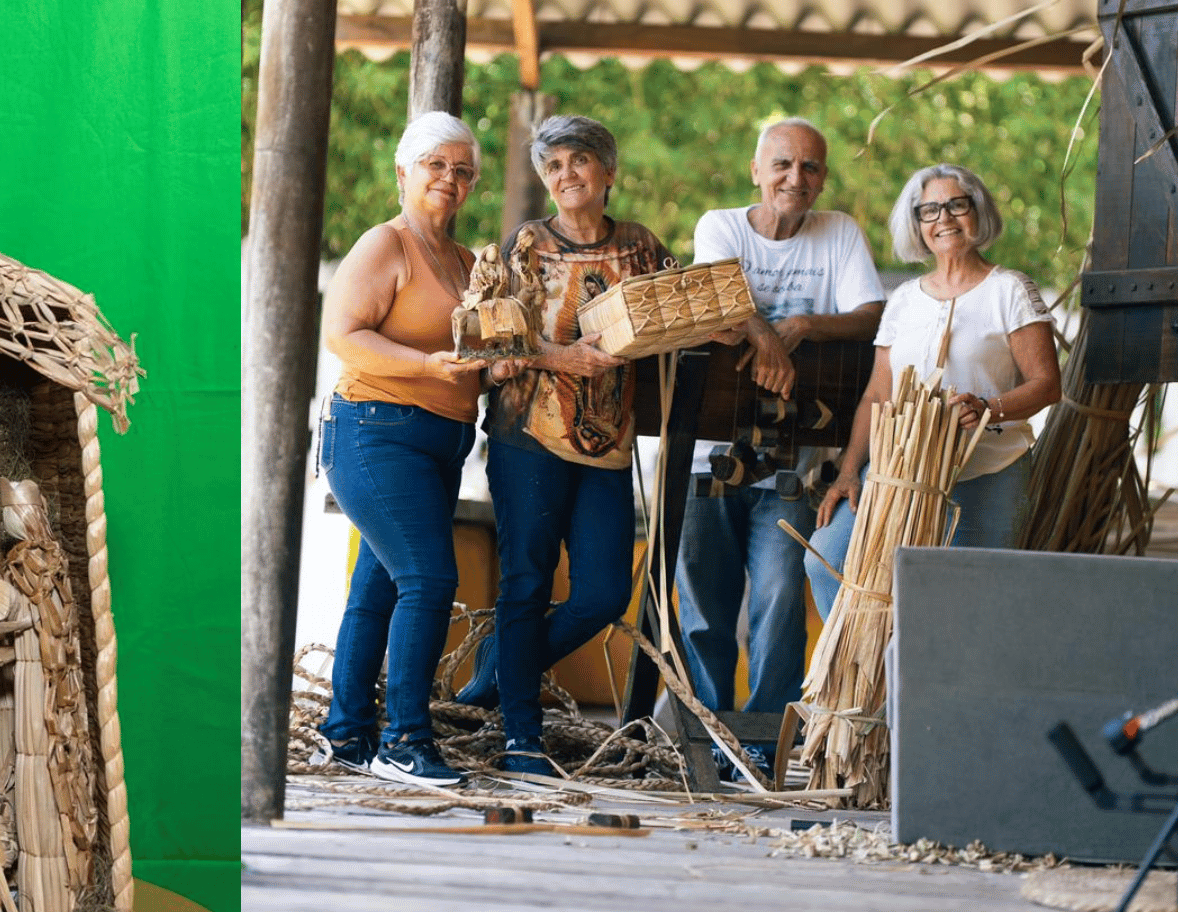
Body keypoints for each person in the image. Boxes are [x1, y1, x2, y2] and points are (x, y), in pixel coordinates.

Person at [461, 115, 674, 780]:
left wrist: (743, 331)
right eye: (553, 167)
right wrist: (562, 358)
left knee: (605, 594)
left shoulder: (641, 246)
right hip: (528, 437)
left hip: (607, 447)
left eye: (579, 162)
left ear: (608, 173)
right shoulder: (526, 245)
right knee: (526, 584)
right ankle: (521, 737)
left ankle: (498, 668)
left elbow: (680, 305)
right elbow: (494, 337)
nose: (566, 176)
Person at [674, 118, 885, 763]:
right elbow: (714, 301)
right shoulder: (721, 226)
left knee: (777, 604)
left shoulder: (840, 233)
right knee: (703, 608)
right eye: (784, 165)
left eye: (812, 168)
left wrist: (797, 325)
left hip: (796, 462)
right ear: (757, 172)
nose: (797, 178)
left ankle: (763, 745)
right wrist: (768, 340)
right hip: (709, 457)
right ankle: (706, 745)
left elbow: (872, 315)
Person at [314, 110, 491, 787]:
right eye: (436, 165)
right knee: (428, 579)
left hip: (442, 441)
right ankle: (405, 741)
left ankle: (347, 733)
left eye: (463, 169)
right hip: (374, 430)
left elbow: (479, 349)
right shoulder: (384, 246)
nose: (451, 178)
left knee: (379, 583)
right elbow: (344, 335)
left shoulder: (468, 261)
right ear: (404, 173)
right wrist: (426, 368)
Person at [807, 164, 1061, 612]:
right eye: (929, 210)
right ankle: (872, 676)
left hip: (987, 471)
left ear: (977, 212)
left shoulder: (1010, 290)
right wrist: (849, 471)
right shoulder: (904, 299)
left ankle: (948, 682)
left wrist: (988, 407)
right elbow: (876, 396)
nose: (943, 218)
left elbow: (1046, 386)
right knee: (829, 556)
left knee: (969, 601)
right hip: (900, 468)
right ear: (916, 223)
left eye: (955, 205)